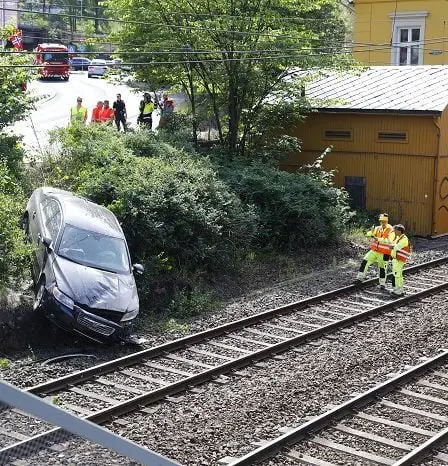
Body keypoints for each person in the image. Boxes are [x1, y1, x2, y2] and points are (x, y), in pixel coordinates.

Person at [356, 213, 395, 288]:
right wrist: (370, 232)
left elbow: (390, 240)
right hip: (374, 250)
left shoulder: (391, 230)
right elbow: (369, 234)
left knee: (382, 268)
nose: (382, 223)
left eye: (383, 221)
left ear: (387, 221)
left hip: (384, 253)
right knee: (365, 261)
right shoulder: (377, 228)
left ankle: (382, 284)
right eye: (381, 221)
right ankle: (359, 278)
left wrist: (379, 239)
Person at [390, 224, 411, 296]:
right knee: (398, 274)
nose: (394, 232)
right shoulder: (399, 238)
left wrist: (391, 246)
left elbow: (397, 247)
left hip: (399, 260)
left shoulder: (404, 239)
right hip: (396, 259)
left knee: (397, 274)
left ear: (399, 231)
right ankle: (399, 290)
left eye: (395, 230)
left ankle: (398, 291)